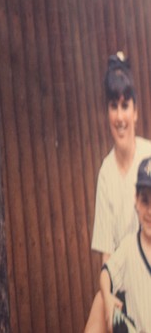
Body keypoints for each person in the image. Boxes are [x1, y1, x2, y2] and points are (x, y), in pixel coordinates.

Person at [86, 53, 151, 330]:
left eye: (125, 106)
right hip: (122, 277)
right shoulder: (106, 173)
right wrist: (109, 297)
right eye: (114, 107)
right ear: (108, 113)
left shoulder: (149, 155)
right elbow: (108, 258)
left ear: (135, 111)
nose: (120, 116)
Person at [97, 155, 151, 333]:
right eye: (145, 201)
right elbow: (107, 273)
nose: (150, 211)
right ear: (136, 200)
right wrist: (107, 297)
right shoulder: (129, 248)